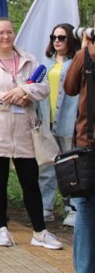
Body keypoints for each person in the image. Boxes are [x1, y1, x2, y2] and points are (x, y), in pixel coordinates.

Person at [0, 17, 61, 249]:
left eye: (9, 32)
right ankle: (1, 228)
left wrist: (24, 90)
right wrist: (8, 97)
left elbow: (42, 87)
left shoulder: (28, 59)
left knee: (30, 181)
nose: (6, 36)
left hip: (24, 130)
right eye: (0, 32)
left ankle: (40, 231)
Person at [37, 23, 81, 225]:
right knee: (46, 165)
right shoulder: (45, 65)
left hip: (69, 120)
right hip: (48, 120)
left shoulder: (77, 63)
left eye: (62, 37)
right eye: (54, 36)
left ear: (71, 39)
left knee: (71, 166)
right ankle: (45, 207)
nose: (56, 41)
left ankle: (72, 207)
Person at [63, 30, 95, 271]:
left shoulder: (87, 55)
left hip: (87, 142)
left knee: (85, 207)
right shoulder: (86, 56)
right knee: (84, 206)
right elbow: (71, 87)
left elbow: (70, 87)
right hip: (87, 144)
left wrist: (84, 51)